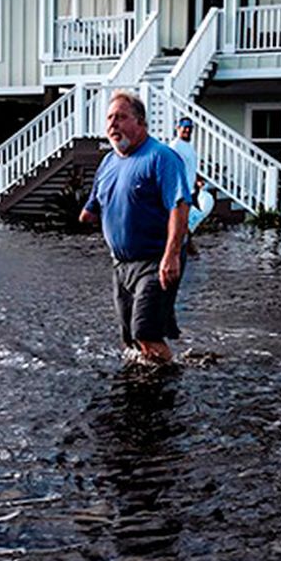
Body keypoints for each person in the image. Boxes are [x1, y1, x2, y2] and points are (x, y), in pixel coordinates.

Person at [79, 91, 191, 364]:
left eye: (121, 117)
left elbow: (180, 205)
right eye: (109, 118)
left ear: (140, 123)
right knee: (129, 338)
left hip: (155, 261)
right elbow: (92, 209)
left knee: (146, 333)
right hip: (121, 265)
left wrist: (172, 255)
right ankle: (144, 387)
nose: (113, 124)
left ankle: (166, 395)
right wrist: (87, 216)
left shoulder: (161, 157)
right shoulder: (108, 163)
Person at [170, 116, 198, 197]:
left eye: (190, 128)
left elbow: (190, 167)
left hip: (190, 191)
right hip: (180, 193)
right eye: (185, 127)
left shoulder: (189, 146)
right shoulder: (175, 146)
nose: (188, 130)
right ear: (178, 128)